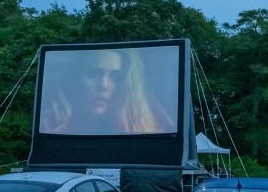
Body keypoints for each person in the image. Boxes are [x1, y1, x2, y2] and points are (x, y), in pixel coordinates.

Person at [41, 49, 174, 135]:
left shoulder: (150, 132)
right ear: (74, 80)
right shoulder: (52, 136)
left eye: (115, 77)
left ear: (126, 86)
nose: (104, 85)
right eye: (94, 74)